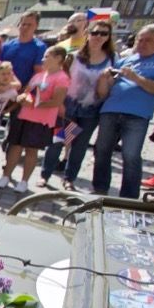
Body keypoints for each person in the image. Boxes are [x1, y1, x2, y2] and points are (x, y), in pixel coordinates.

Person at [93, 23, 154, 199]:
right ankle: (100, 189)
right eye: (139, 39)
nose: (142, 43)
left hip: (137, 115)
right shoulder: (127, 59)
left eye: (147, 40)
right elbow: (105, 91)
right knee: (102, 150)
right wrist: (104, 79)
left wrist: (136, 78)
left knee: (131, 155)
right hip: (111, 109)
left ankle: (128, 197)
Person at [38, 20, 116, 190]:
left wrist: (104, 80)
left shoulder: (111, 60)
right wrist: (59, 103)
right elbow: (62, 80)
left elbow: (104, 93)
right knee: (58, 141)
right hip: (69, 108)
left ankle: (69, 179)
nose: (98, 37)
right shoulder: (74, 56)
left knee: (79, 147)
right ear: (88, 33)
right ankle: (45, 175)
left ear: (108, 37)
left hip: (90, 111)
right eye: (95, 32)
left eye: (103, 33)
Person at [0, 46, 69, 193]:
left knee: (31, 150)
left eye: (47, 56)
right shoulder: (38, 75)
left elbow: (56, 101)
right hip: (24, 116)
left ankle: (24, 181)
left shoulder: (62, 78)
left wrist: (35, 104)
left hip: (40, 120)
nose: (43, 59)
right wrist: (22, 97)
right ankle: (6, 176)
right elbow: (27, 91)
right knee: (15, 146)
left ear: (58, 58)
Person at [0, 11, 46, 110]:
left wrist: (24, 92)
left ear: (36, 26)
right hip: (3, 90)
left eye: (29, 25)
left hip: (23, 94)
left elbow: (38, 72)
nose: (25, 27)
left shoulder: (39, 47)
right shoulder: (7, 45)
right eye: (23, 24)